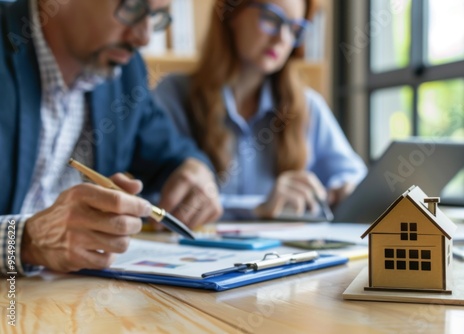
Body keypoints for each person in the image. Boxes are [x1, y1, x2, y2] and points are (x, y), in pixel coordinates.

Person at [0, 0, 223, 276]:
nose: (143, 37)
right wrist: (25, 242)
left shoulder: (125, 72)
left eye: (156, 16)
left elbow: (174, 155)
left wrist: (195, 171)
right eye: (131, 8)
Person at [153, 0, 366, 219]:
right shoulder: (175, 95)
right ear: (232, 13)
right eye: (271, 18)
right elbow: (155, 203)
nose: (282, 38)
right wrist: (258, 208)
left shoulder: (307, 106)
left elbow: (354, 178)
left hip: (283, 251)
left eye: (294, 29)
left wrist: (346, 191)